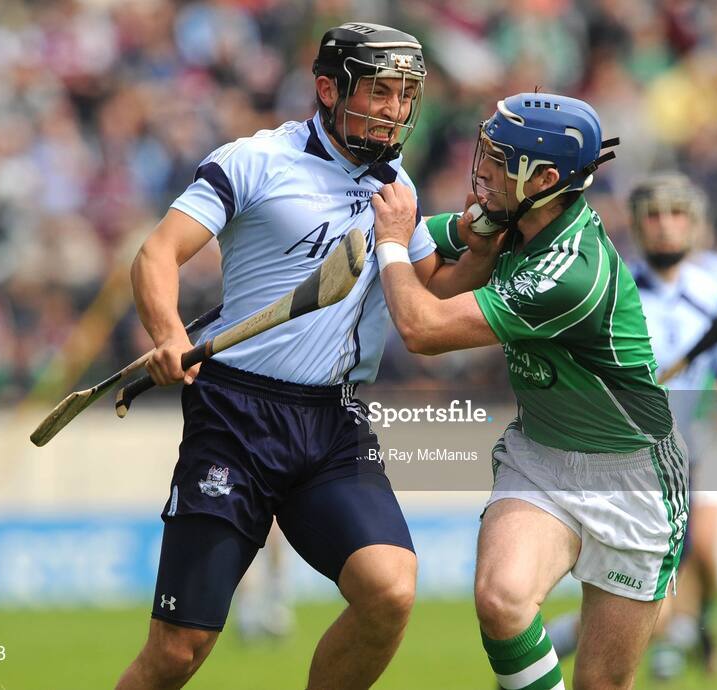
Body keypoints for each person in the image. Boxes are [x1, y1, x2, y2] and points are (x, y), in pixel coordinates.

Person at [115, 22, 497, 690]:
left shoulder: (394, 187)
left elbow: (430, 291)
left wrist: (491, 247)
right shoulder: (254, 162)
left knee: (390, 590)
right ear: (327, 88)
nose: (396, 110)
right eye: (379, 92)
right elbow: (157, 254)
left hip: (332, 423)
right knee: (180, 650)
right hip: (235, 418)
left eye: (406, 95)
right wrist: (169, 334)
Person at [371, 93, 689, 690]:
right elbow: (419, 245)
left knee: (601, 683)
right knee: (501, 599)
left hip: (632, 477)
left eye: (499, 158)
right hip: (541, 455)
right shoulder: (512, 218)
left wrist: (390, 241)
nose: (482, 169)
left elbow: (422, 327)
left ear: (543, 179)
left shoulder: (572, 272)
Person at [542, 173, 717, 680]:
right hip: (624, 457)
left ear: (695, 225)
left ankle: (685, 630)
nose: (666, 227)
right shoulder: (610, 284)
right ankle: (657, 636)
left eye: (677, 215)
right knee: (634, 588)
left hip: (694, 450)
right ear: (638, 226)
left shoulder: (716, 291)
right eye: (653, 216)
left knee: (695, 557)